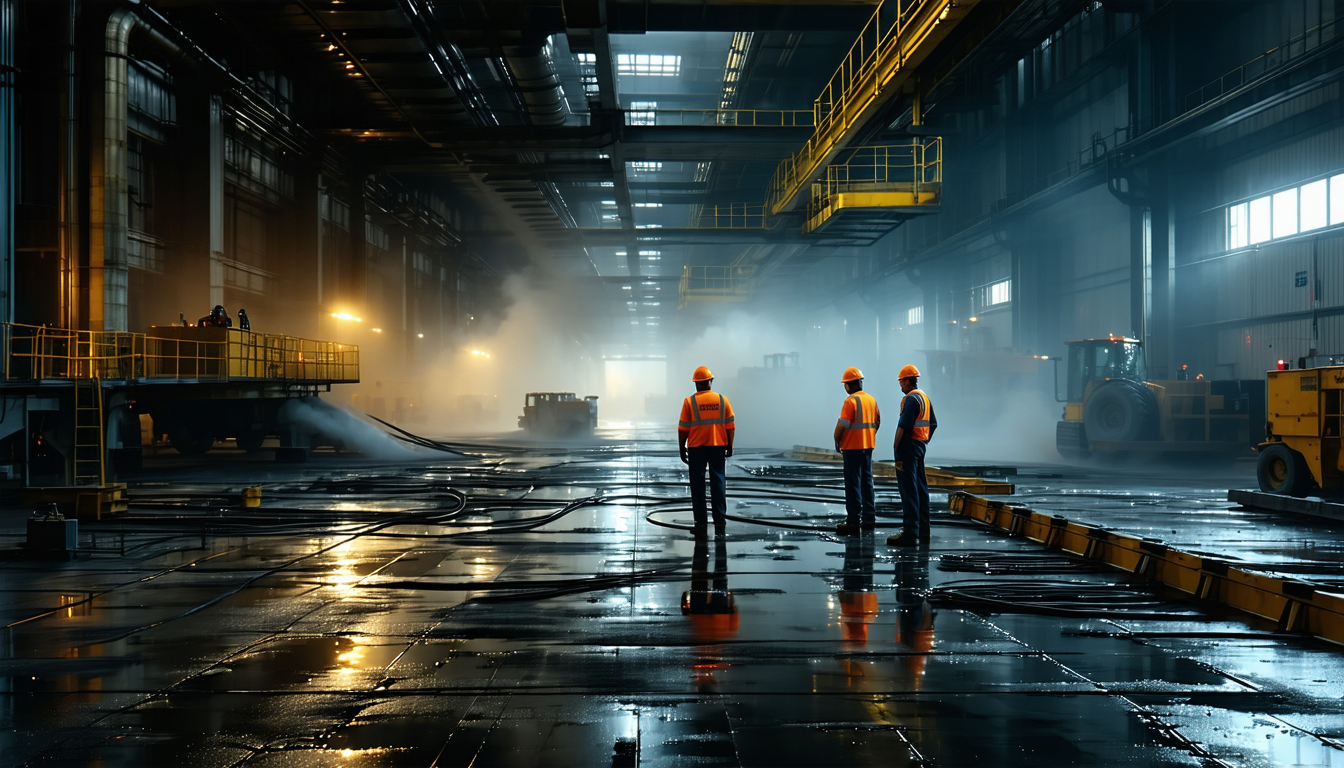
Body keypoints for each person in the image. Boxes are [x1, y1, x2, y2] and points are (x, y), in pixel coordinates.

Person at [678, 365, 735, 539]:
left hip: (696, 448)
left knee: (698, 485)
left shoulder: (689, 402)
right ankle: (719, 519)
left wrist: (682, 448)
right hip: (718, 446)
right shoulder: (722, 400)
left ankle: (701, 522)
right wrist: (730, 445)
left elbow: (683, 429)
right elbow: (730, 425)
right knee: (718, 482)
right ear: (710, 381)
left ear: (696, 384)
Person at [889, 364, 936, 547]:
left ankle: (910, 532)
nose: (900, 385)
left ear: (908, 380)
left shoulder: (911, 399)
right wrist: (923, 441)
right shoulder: (924, 398)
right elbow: (933, 424)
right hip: (919, 446)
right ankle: (924, 529)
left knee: (908, 489)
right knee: (921, 488)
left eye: (901, 381)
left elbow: (904, 425)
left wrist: (896, 447)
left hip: (907, 447)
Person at [833, 366, 879, 536]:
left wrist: (836, 438)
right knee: (867, 482)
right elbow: (877, 422)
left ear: (848, 385)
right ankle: (869, 519)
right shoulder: (871, 400)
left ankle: (853, 521)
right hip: (868, 446)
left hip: (852, 447)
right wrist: (868, 437)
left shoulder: (851, 401)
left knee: (852, 483)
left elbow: (843, 423)